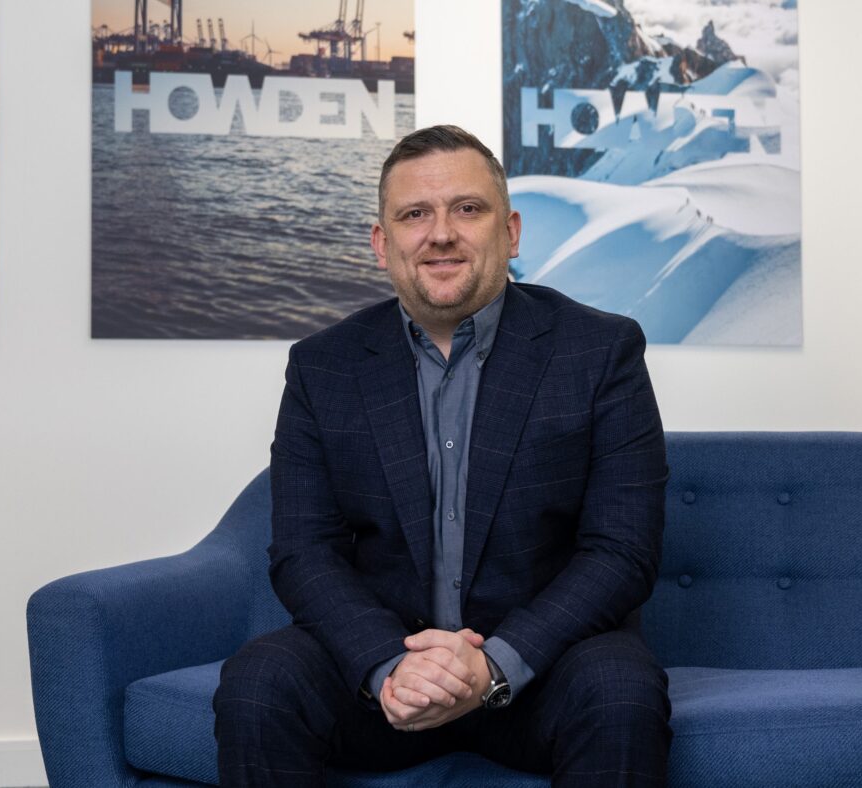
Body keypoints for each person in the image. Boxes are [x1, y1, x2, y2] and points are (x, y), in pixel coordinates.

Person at [213, 125, 672, 787]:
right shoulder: (323, 368)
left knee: (622, 692)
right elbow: (303, 551)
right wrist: (388, 666)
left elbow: (622, 550)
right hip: (387, 680)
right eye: (414, 214)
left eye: (467, 208)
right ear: (382, 243)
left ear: (511, 232)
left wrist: (498, 663)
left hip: (544, 672)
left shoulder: (601, 353)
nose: (441, 233)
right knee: (259, 684)